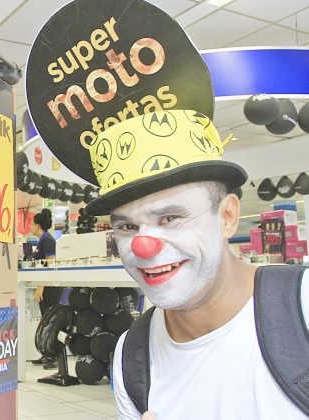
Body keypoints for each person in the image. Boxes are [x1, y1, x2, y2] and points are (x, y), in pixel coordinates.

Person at [77, 110, 308, 419]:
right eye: (127, 227)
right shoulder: (131, 356)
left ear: (227, 217)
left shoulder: (303, 306)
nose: (145, 247)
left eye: (170, 218)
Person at [29, 209, 62, 369]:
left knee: (50, 322)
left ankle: (53, 357)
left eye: (31, 224)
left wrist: (41, 286)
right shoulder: (43, 240)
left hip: (50, 287)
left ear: (38, 225)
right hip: (45, 285)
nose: (30, 227)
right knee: (46, 320)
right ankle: (47, 355)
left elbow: (50, 263)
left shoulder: (48, 240)